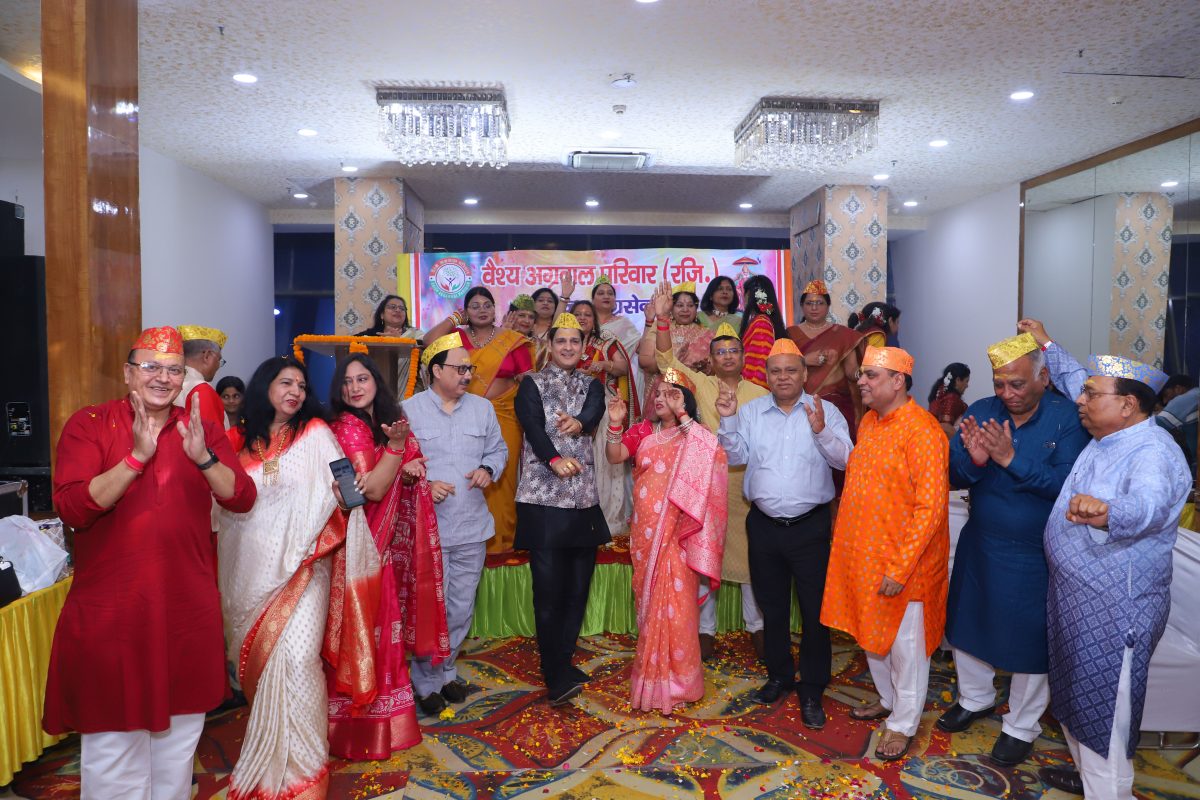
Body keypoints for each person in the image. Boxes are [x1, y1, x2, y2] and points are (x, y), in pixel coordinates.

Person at [45, 326, 256, 800]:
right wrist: (136, 458)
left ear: (185, 376)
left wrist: (204, 459)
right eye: (151, 367)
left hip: (185, 610)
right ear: (128, 373)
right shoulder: (90, 423)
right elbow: (73, 508)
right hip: (113, 613)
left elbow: (241, 497)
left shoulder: (199, 429)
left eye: (174, 370)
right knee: (113, 748)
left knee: (177, 750)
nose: (163, 378)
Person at [1017, 319, 1191, 800]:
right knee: (1078, 705)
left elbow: (1150, 506)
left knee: (1105, 716)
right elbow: (1074, 376)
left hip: (1115, 612)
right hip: (1079, 601)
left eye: (1092, 395)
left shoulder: (1153, 451)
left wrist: (1111, 512)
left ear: (1128, 405)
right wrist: (1046, 343)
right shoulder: (1113, 434)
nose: (1080, 399)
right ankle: (1094, 780)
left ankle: (1109, 789)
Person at [218, 355, 379, 799]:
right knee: (265, 666)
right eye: (286, 383)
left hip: (307, 564)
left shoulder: (316, 433)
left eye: (302, 386)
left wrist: (345, 499)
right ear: (264, 386)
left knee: (299, 658)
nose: (295, 392)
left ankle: (305, 773)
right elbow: (221, 509)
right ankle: (271, 764)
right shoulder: (236, 442)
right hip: (248, 574)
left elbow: (343, 493)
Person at [937, 333, 1088, 767]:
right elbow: (955, 476)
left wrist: (1009, 459)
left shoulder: (1068, 419)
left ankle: (1021, 725)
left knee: (1031, 640)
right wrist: (975, 461)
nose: (1007, 393)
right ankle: (975, 698)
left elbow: (1066, 487)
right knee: (968, 622)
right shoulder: (983, 411)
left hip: (1038, 551)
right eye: (999, 383)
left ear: (1043, 378)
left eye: (1017, 384)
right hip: (982, 541)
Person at [717, 337, 852, 729]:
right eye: (776, 371)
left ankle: (812, 686)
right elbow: (735, 456)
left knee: (814, 611)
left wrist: (822, 431)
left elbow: (846, 459)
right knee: (771, 608)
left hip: (810, 528)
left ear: (804, 373)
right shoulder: (751, 412)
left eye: (791, 370)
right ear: (767, 376)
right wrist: (728, 420)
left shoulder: (825, 411)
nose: (783, 377)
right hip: (763, 526)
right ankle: (779, 675)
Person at [821, 345, 949, 761]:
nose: (860, 381)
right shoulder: (870, 422)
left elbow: (930, 509)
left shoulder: (923, 431)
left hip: (905, 565)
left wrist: (899, 567)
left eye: (870, 375)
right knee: (871, 636)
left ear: (898, 381)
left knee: (906, 647)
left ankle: (904, 723)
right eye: (861, 374)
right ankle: (889, 700)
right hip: (864, 558)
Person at [326, 354, 450, 759]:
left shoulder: (385, 422)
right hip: (360, 552)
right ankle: (358, 732)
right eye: (347, 382)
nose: (355, 388)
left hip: (385, 550)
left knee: (384, 636)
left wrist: (409, 465)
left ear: (376, 383)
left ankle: (385, 725)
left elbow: (409, 460)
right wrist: (397, 452)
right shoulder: (346, 429)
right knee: (367, 636)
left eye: (362, 379)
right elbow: (371, 491)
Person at [650, 287, 768, 661]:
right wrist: (663, 319)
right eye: (720, 352)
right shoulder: (700, 384)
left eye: (733, 351)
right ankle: (705, 631)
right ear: (711, 359)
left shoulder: (761, 394)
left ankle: (757, 628)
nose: (727, 356)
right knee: (705, 554)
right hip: (707, 483)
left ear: (743, 357)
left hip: (746, 484)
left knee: (749, 556)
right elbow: (665, 360)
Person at [607, 369, 727, 713]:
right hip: (645, 536)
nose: (660, 398)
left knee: (678, 609)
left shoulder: (695, 435)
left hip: (677, 536)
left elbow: (713, 456)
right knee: (649, 608)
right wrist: (615, 423)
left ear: (684, 400)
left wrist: (683, 415)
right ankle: (653, 680)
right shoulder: (644, 431)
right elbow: (615, 456)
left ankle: (680, 684)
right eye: (657, 393)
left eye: (670, 393)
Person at [403, 332, 508, 715]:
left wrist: (487, 469)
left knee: (461, 607)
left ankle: (446, 671)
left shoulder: (482, 409)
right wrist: (424, 484)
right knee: (429, 609)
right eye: (460, 368)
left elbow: (498, 449)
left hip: (471, 528)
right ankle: (426, 681)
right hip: (428, 533)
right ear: (436, 370)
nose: (467, 375)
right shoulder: (408, 410)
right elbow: (397, 461)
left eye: (469, 368)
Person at [513, 313, 610, 706]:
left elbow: (594, 412)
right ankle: (553, 672)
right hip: (543, 500)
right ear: (550, 346)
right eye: (562, 341)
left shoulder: (592, 384)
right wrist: (553, 459)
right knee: (549, 590)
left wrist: (580, 422)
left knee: (577, 588)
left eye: (575, 341)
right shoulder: (531, 384)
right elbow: (533, 428)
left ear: (584, 347)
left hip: (583, 499)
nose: (569, 347)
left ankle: (564, 660)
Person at [422, 287, 532, 553]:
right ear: (466, 311)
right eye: (475, 306)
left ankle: (502, 543)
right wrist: (454, 319)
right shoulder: (456, 338)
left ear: (495, 309)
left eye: (487, 305)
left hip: (504, 415)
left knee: (501, 477)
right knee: (466, 473)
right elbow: (428, 341)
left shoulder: (512, 340)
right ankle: (466, 541)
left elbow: (528, 380)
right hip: (462, 414)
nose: (482, 310)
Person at [571, 299, 637, 534]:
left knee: (603, 463)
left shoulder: (606, 341)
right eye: (577, 314)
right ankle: (575, 519)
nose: (582, 318)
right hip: (570, 409)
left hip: (603, 409)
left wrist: (604, 365)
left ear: (594, 320)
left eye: (587, 314)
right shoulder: (564, 342)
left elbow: (622, 367)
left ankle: (607, 519)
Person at [786, 279, 865, 438]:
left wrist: (864, 374)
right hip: (799, 402)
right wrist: (804, 360)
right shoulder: (790, 334)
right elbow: (780, 366)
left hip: (836, 404)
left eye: (820, 303)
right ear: (802, 306)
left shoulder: (843, 335)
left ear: (828, 306)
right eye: (809, 303)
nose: (814, 308)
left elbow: (851, 371)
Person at [638, 281, 713, 417]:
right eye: (679, 305)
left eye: (690, 305)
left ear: (696, 309)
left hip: (695, 393)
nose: (685, 309)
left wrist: (709, 369)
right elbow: (644, 361)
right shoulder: (659, 327)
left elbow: (716, 370)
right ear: (671, 308)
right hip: (663, 390)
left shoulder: (708, 334)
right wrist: (674, 362)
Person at [355, 294, 425, 396]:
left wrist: (399, 341)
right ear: (382, 315)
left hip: (409, 394)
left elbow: (427, 348)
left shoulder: (415, 334)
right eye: (392, 307)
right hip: (375, 392)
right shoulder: (369, 336)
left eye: (402, 308)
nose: (397, 310)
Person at [738, 274, 788, 389]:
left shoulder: (761, 323)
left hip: (755, 391)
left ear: (749, 296)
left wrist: (751, 393)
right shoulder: (763, 320)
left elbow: (762, 363)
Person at [592, 274, 644, 381]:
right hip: (586, 376)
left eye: (610, 293)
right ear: (592, 300)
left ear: (615, 300)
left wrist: (649, 322)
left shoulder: (623, 323)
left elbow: (641, 349)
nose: (606, 296)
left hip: (615, 381)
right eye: (601, 293)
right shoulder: (586, 323)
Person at [176, 324, 228, 428]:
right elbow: (212, 436)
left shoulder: (171, 383)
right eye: (219, 360)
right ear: (207, 356)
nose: (218, 366)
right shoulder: (201, 390)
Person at [1155, 373, 1198, 471]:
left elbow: (1157, 424)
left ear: (1178, 388)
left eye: (1166, 395)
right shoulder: (1195, 395)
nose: (1165, 401)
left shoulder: (1189, 397)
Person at [530, 280, 571, 370]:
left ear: (556, 306)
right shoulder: (525, 326)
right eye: (540, 300)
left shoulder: (559, 328)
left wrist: (564, 297)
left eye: (550, 301)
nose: (545, 303)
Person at [928, 362, 971, 437]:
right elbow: (945, 427)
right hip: (945, 442)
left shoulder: (940, 394)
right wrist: (958, 440)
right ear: (958, 380)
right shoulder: (951, 399)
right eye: (966, 381)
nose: (967, 385)